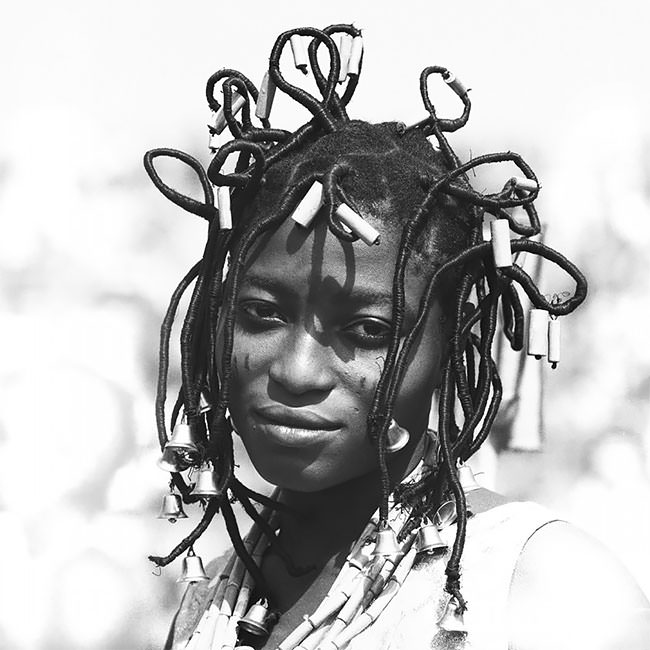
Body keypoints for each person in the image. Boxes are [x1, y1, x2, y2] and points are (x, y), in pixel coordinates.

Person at [144, 24, 650, 650]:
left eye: (368, 330)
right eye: (262, 315)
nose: (297, 372)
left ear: (451, 344)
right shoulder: (211, 603)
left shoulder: (544, 592)